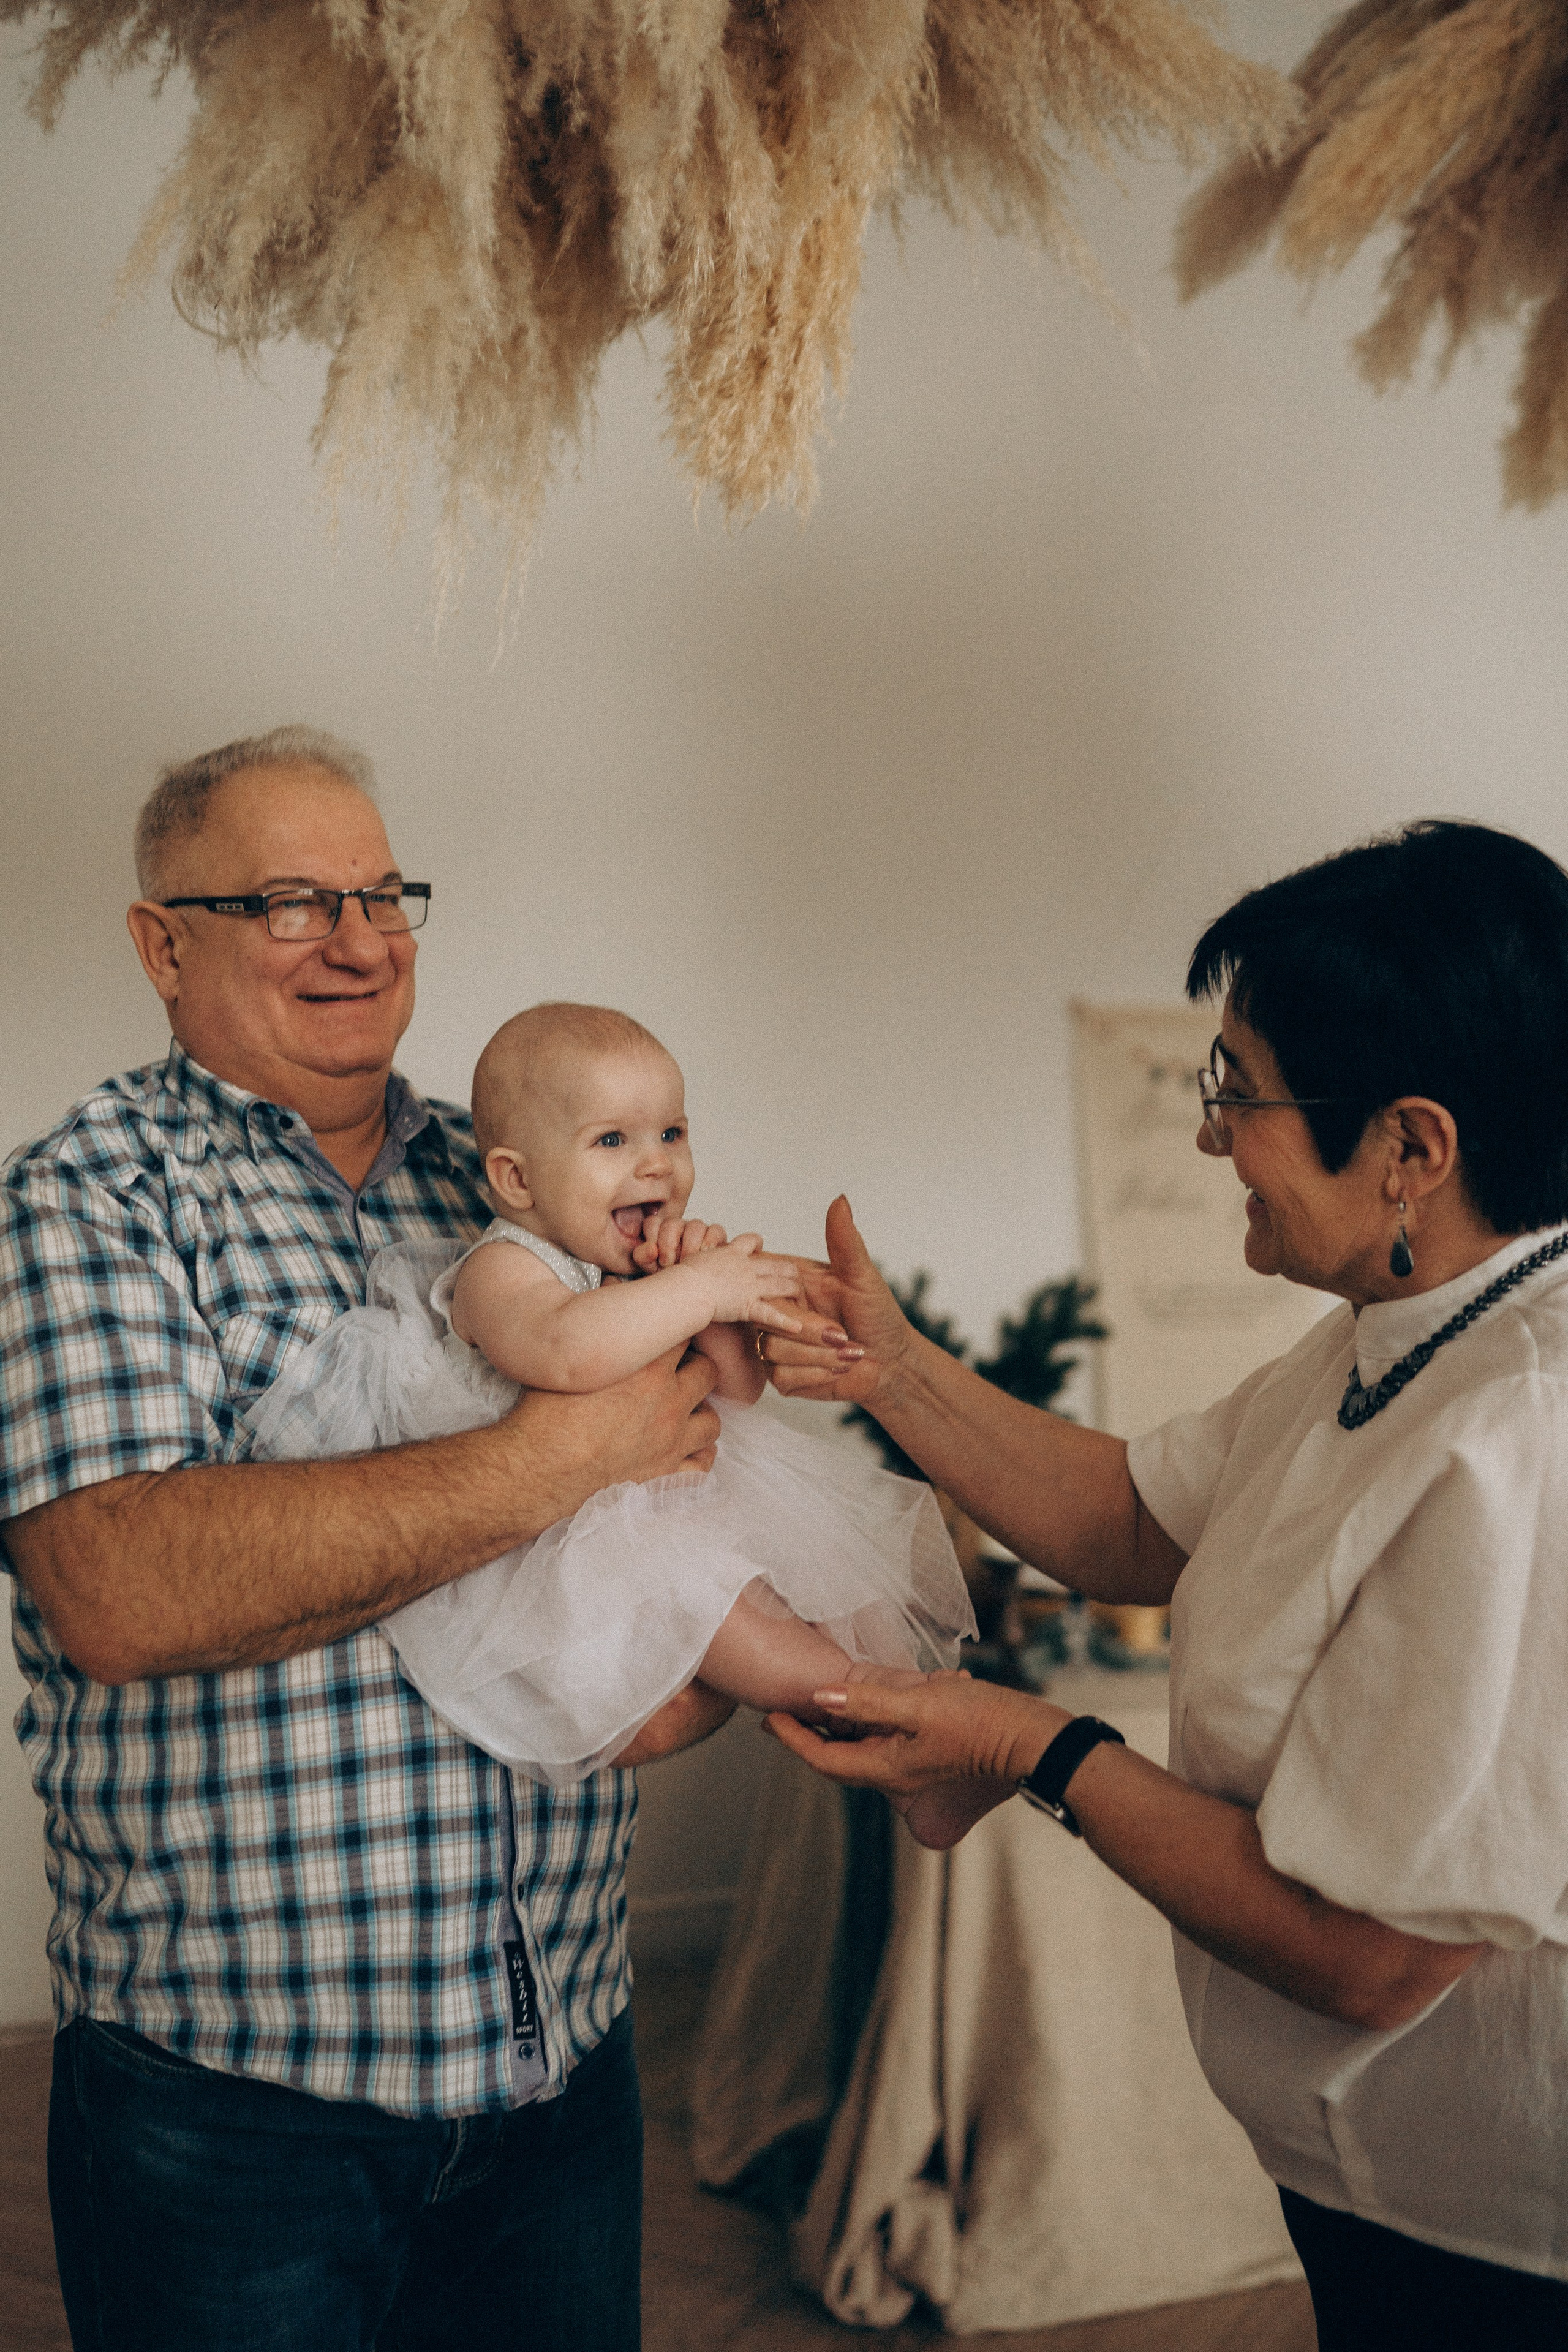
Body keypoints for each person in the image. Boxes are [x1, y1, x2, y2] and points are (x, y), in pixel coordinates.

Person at [758, 820, 1568, 2352]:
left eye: (1237, 1094)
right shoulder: (1390, 1334)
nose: (1209, 1140)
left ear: (1409, 1147)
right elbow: (1133, 1517)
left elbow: (1372, 1955)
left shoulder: (1529, 1430)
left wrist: (1027, 1746)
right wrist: (891, 1367)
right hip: (1366, 2188)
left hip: (1500, 2235)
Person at [0, 726, 734, 2352]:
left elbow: (666, 1485)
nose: (360, 939)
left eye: (382, 891)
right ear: (160, 944)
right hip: (244, 2105)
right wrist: (543, 1460)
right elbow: (118, 1589)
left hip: (562, 2053)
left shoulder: (525, 1177)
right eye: (289, 900)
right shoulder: (90, 1202)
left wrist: (697, 1598)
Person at [247, 999, 974, 1812]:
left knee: (844, 1589)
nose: (658, 1165)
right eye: (612, 1141)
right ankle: (893, 1719)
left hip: (682, 1499)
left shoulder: (636, 1266)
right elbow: (567, 1350)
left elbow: (732, 1392)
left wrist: (725, 1314)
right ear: (516, 1179)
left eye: (672, 1133)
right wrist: (696, 1290)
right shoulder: (502, 1271)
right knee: (737, 1623)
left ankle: (923, 1737)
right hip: (575, 1543)